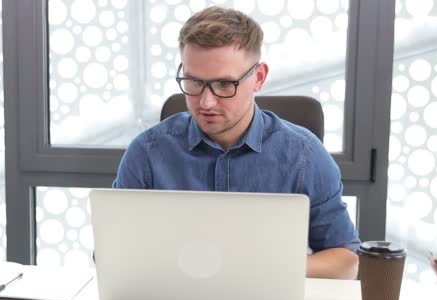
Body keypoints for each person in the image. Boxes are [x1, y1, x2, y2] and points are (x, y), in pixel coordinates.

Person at [113, 6, 360, 279]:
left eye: (223, 85)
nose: (206, 102)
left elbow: (346, 260)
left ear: (259, 78)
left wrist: (261, 271)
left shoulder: (305, 155)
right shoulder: (147, 153)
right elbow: (110, 255)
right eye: (193, 83)